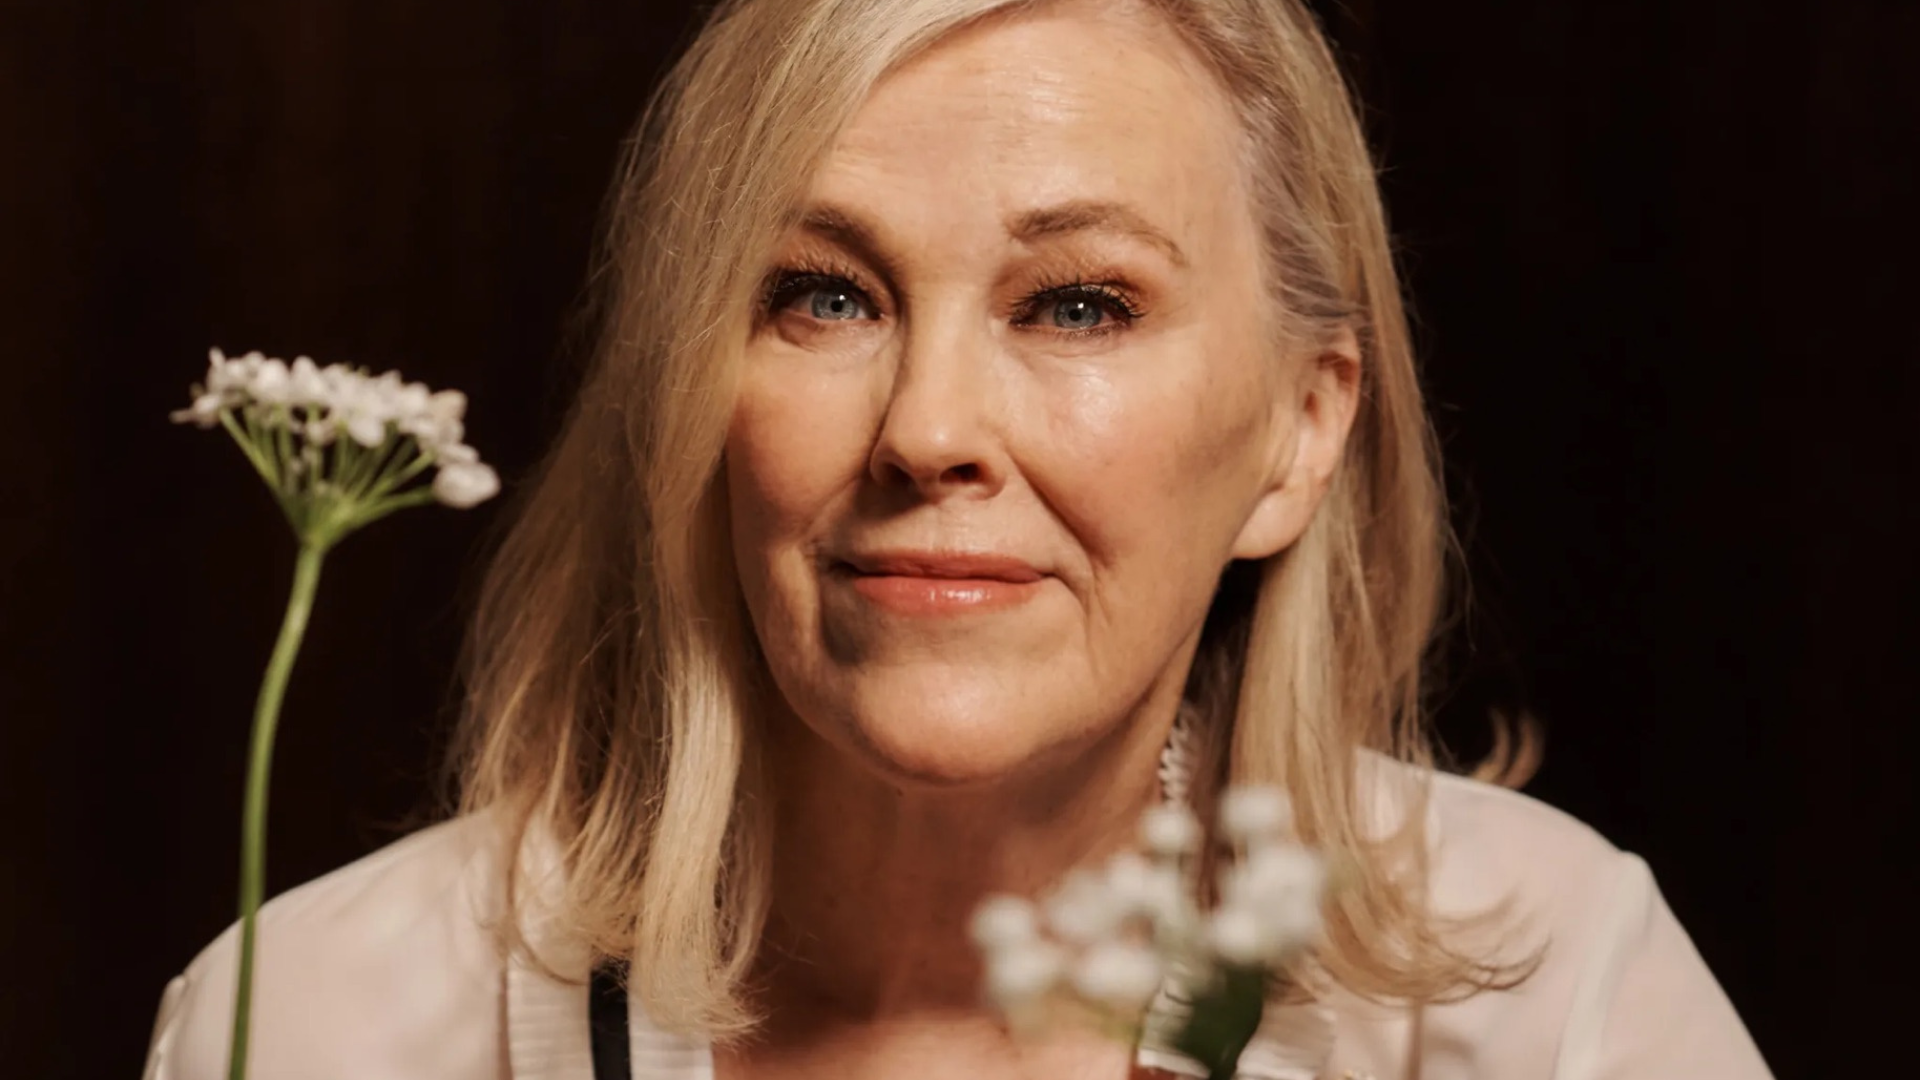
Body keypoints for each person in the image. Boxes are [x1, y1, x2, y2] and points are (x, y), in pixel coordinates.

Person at [142, 0, 1773, 1077]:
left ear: (1299, 430)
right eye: (823, 295)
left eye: (1080, 305)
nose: (927, 430)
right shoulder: (313, 1024)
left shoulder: (1553, 997)